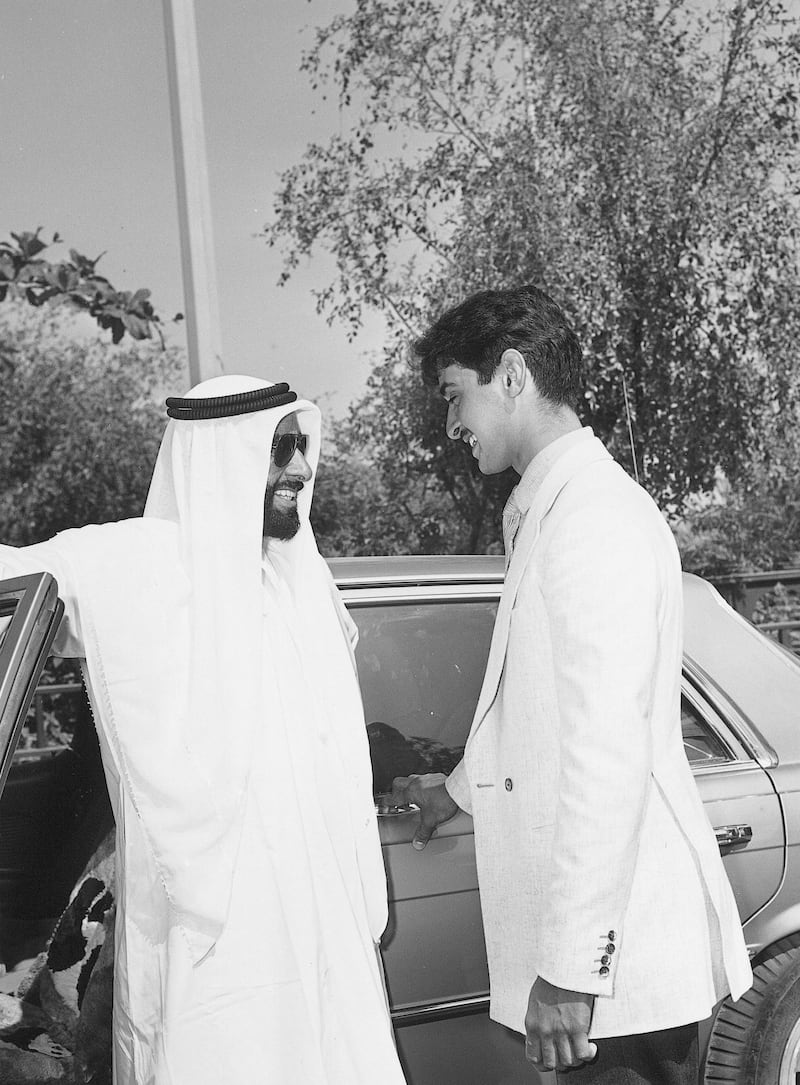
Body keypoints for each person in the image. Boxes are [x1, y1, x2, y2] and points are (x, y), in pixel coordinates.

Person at [389, 285, 752, 1084]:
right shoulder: (556, 511)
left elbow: (606, 751)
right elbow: (535, 712)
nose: (452, 425)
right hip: (608, 987)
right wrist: (459, 788)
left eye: (456, 396)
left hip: (616, 984)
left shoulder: (592, 521)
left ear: (511, 374)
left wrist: (571, 970)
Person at [0, 375, 407, 1085]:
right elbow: (17, 581)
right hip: (214, 967)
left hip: (320, 956)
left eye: (302, 446)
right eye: (280, 450)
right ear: (223, 455)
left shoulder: (297, 583)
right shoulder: (139, 566)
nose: (302, 469)